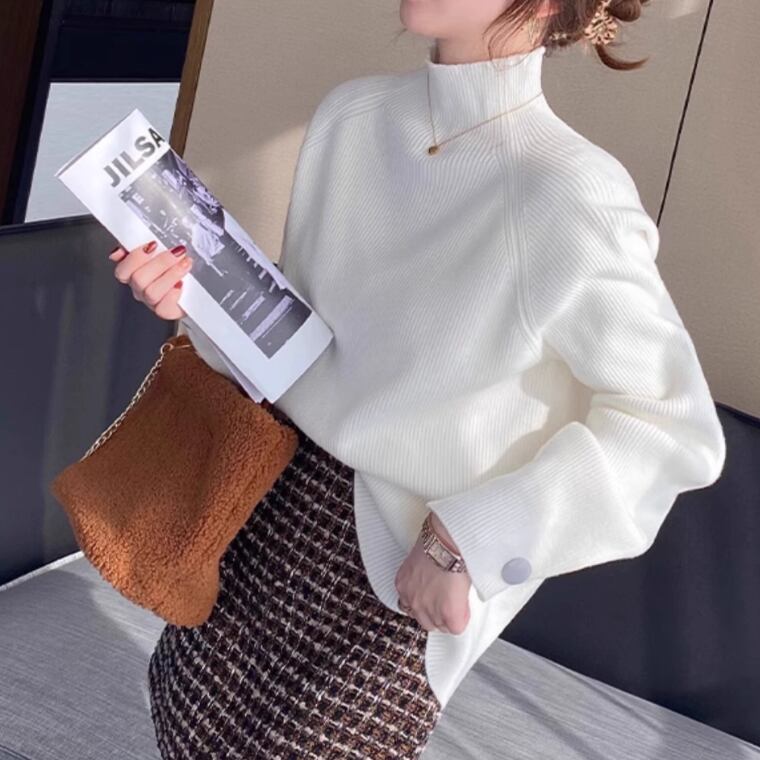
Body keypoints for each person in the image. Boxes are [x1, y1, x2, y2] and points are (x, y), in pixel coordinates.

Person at [108, 1, 727, 757]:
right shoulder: (352, 117)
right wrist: (195, 302)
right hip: (264, 509)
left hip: (394, 571)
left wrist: (471, 540)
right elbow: (305, 346)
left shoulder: (570, 191)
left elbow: (670, 428)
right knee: (187, 723)